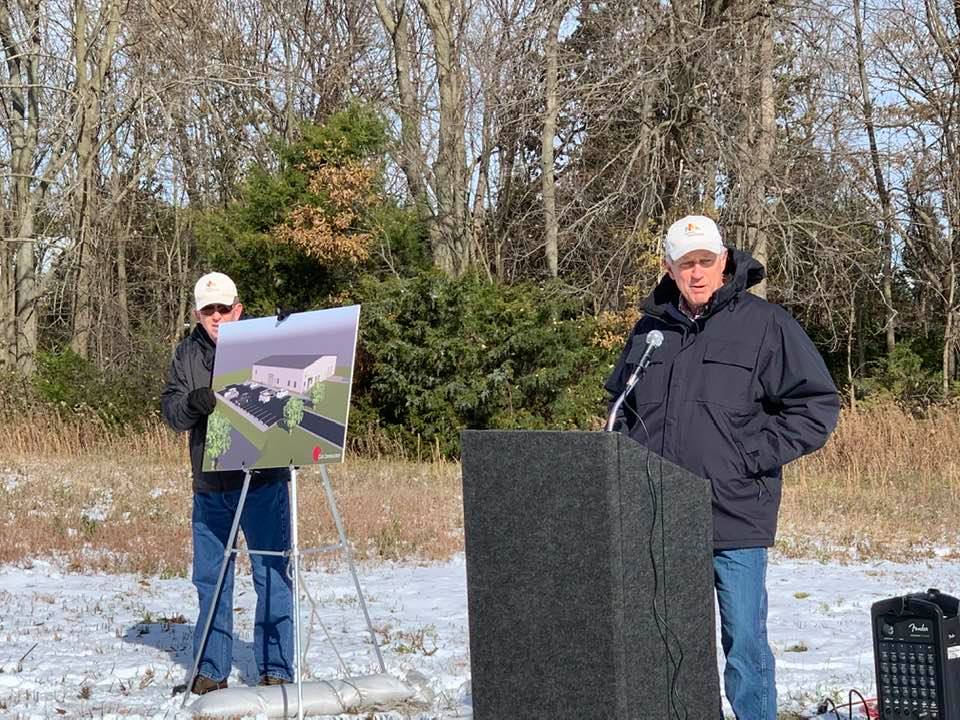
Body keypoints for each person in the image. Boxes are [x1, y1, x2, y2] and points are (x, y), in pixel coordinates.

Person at [605, 216, 840, 720]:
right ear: (669, 268)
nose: (697, 273)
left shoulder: (766, 324)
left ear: (724, 261)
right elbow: (620, 408)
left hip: (734, 514)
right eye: (686, 264)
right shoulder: (650, 331)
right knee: (664, 642)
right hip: (658, 518)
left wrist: (749, 455)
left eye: (706, 262)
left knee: (746, 647)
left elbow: (816, 406)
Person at [161, 271, 294, 695]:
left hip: (263, 481)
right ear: (198, 314)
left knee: (271, 572)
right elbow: (171, 413)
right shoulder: (185, 354)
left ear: (237, 308)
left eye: (224, 308)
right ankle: (212, 670)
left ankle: (276, 669)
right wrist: (192, 403)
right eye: (208, 310)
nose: (217, 316)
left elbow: (298, 390)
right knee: (211, 580)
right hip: (211, 487)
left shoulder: (269, 339)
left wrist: (293, 334)